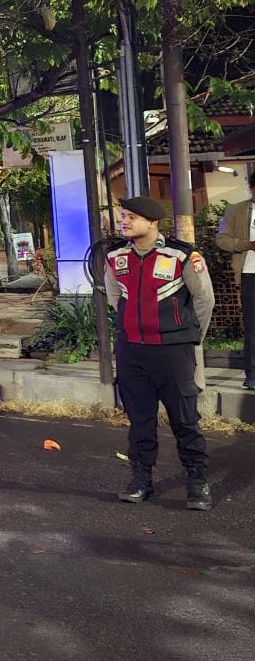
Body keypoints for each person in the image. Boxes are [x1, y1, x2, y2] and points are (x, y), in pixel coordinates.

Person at [103, 196, 217, 510]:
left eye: (131, 217)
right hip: (132, 352)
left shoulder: (183, 255)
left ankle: (197, 481)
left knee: (185, 420)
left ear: (152, 222)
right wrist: (132, 327)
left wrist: (187, 338)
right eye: (123, 216)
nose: (124, 222)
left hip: (173, 353)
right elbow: (115, 297)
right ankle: (142, 480)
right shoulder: (115, 256)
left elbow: (204, 300)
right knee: (140, 421)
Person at [214, 169, 255, 390]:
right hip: (250, 273)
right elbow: (222, 239)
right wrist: (247, 244)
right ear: (251, 189)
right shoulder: (237, 210)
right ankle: (253, 374)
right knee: (253, 327)